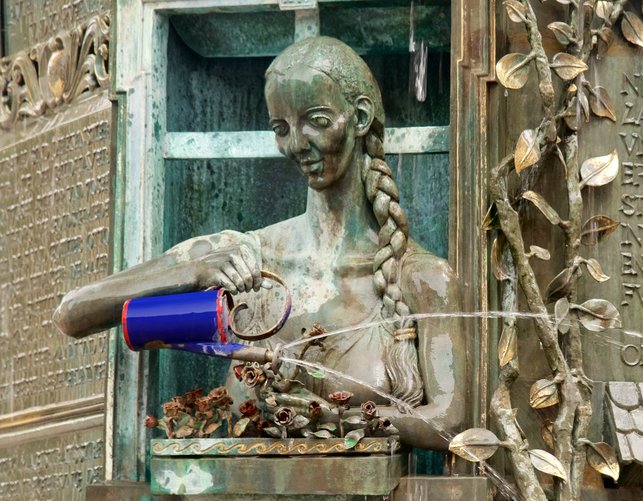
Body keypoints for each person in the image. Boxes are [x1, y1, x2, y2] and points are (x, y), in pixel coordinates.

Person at [53, 37, 466, 451]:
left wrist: (329, 419)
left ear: (358, 117)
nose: (297, 144)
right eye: (280, 129)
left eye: (316, 121)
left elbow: (448, 421)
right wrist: (191, 272)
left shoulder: (423, 277)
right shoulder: (244, 254)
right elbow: (73, 313)